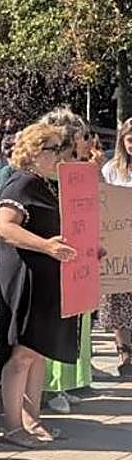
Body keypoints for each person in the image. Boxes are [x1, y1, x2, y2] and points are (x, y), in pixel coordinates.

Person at [0, 122, 77, 448]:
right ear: (33, 151)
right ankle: (13, 427)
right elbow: (3, 226)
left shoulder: (47, 184)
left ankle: (32, 419)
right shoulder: (22, 183)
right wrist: (46, 247)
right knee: (23, 354)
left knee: (38, 351)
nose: (60, 155)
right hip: (26, 278)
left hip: (46, 278)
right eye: (53, 149)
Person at [39, 108, 93, 413]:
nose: (80, 142)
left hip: (77, 254)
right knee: (53, 321)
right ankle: (49, 385)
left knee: (75, 321)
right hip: (52, 254)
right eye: (76, 135)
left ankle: (66, 381)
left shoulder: (78, 170)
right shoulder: (46, 174)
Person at [101, 118, 132, 377]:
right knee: (118, 299)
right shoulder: (112, 169)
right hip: (118, 243)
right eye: (130, 140)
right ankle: (124, 352)